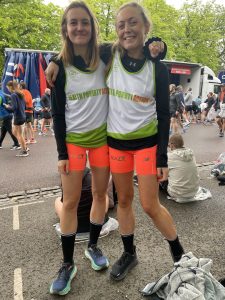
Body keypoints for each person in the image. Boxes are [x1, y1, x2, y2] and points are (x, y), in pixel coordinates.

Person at [46, 1, 170, 288]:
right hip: (74, 144)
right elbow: (56, 113)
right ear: (65, 28)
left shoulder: (105, 55)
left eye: (85, 22)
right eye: (73, 22)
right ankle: (67, 263)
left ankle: (92, 245)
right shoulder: (60, 66)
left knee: (101, 195)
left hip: (103, 141)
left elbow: (142, 48)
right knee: (70, 202)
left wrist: (157, 45)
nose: (79, 27)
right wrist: (61, 152)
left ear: (93, 28)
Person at [106, 2, 184, 281]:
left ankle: (180, 256)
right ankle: (129, 253)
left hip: (147, 145)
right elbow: (78, 49)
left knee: (150, 205)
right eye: (121, 25)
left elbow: (164, 114)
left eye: (133, 22)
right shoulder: (109, 55)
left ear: (146, 27)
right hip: (116, 144)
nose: (126, 29)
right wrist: (55, 62)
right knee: (124, 200)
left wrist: (162, 156)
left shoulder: (157, 68)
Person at [160, 133, 199, 202]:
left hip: (177, 193)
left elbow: (161, 170)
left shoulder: (170, 156)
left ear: (172, 144)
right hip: (193, 192)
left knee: (161, 172)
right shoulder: (191, 154)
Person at [5, 80, 29, 157]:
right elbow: (24, 105)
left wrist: (7, 107)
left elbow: (14, 108)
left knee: (19, 134)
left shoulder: (13, 95)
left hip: (18, 117)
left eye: (8, 88)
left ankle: (24, 151)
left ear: (11, 87)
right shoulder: (20, 93)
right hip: (22, 115)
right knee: (15, 132)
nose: (8, 89)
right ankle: (24, 146)